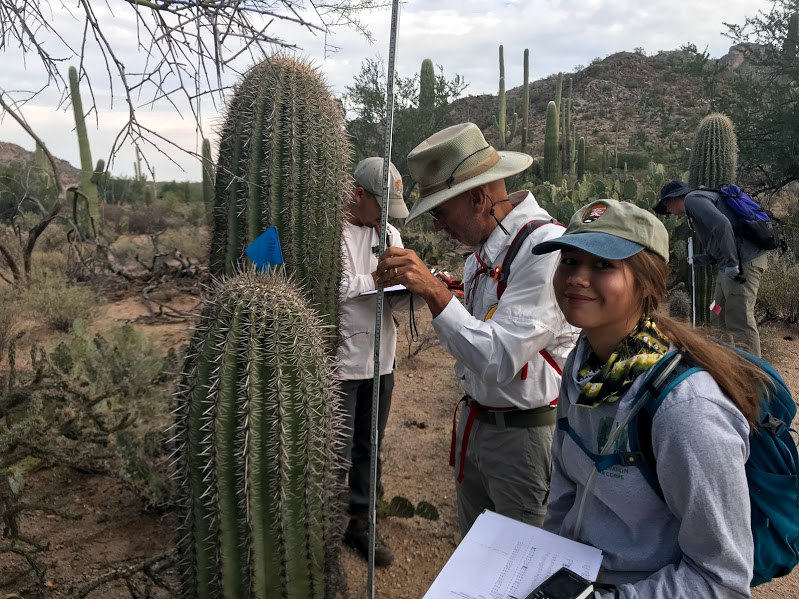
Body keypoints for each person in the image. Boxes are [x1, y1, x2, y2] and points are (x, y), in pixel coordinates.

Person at [533, 198, 765, 597]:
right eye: (569, 261)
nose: (576, 278)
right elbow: (565, 494)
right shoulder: (584, 368)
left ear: (646, 282)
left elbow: (722, 580)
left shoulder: (687, 411)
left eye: (603, 265)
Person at [375, 123, 577, 535]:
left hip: (524, 438)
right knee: (476, 550)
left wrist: (433, 290)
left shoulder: (545, 249)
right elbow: (475, 337)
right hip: (476, 425)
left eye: (440, 212)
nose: (436, 227)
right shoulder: (481, 255)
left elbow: (499, 357)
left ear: (479, 199)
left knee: (520, 565)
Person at [338, 157, 411, 567]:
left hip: (382, 360)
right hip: (343, 362)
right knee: (335, 449)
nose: (385, 218)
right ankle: (322, 527)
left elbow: (395, 283)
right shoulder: (331, 233)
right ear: (357, 195)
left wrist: (411, 285)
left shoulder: (389, 231)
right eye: (381, 206)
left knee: (372, 445)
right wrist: (377, 280)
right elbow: (335, 286)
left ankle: (362, 523)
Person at [653, 180, 769, 356]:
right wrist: (706, 259)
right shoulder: (696, 203)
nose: (668, 211)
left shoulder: (692, 199)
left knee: (739, 319)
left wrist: (731, 263)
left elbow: (722, 225)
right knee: (716, 310)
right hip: (728, 266)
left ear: (674, 197)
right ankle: (724, 360)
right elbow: (719, 237)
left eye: (666, 205)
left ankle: (753, 373)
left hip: (743, 265)